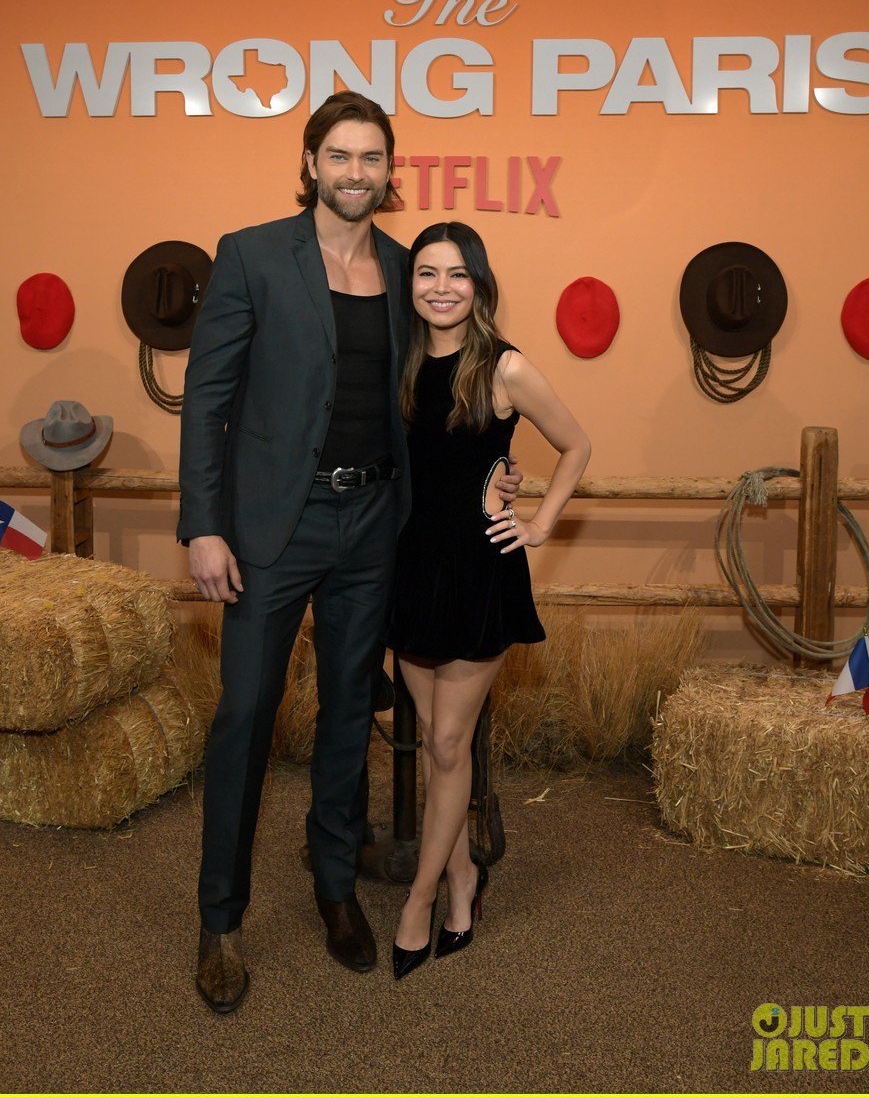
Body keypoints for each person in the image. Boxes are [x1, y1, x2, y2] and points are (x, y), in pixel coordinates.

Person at [178, 93, 521, 1011]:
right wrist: (203, 525)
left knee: (346, 718)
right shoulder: (251, 254)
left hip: (374, 527)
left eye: (371, 158)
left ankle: (334, 889)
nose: (355, 172)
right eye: (340, 155)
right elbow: (208, 398)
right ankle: (220, 921)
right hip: (269, 530)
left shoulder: (410, 270)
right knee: (245, 715)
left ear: (388, 170)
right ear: (310, 162)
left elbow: (451, 388)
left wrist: (495, 469)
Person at [386, 221, 590, 979]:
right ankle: (463, 873)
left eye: (456, 274)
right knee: (434, 742)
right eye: (426, 273)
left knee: (446, 743)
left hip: (477, 572)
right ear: (410, 285)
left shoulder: (504, 368)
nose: (441, 288)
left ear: (479, 284)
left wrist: (538, 523)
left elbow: (576, 444)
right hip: (408, 571)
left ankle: (420, 902)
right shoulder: (398, 363)